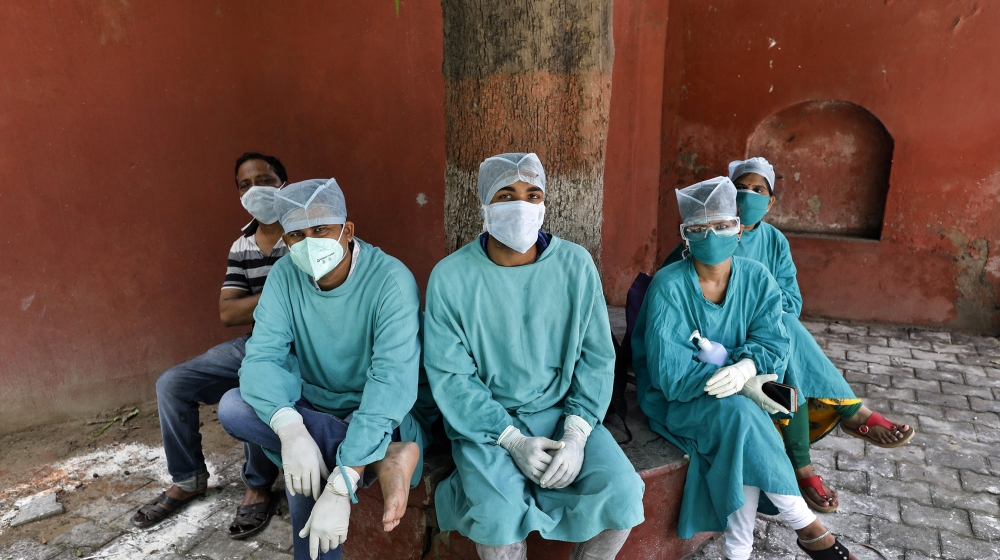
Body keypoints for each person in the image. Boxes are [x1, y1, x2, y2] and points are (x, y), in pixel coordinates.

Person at [423, 153, 646, 560]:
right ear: (485, 207)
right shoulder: (451, 278)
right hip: (488, 426)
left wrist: (577, 434)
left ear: (544, 204)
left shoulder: (575, 264)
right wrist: (512, 440)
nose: (521, 205)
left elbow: (596, 357)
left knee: (623, 494)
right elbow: (452, 378)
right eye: (506, 195)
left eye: (532, 194)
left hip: (563, 412)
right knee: (496, 516)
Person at [664, 157, 916, 512]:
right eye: (741, 187)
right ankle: (843, 420)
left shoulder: (774, 242)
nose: (748, 195)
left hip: (765, 339)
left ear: (770, 203)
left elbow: (790, 301)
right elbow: (673, 301)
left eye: (759, 190)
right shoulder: (700, 240)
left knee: (784, 333)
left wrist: (756, 303)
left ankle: (802, 465)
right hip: (717, 343)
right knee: (788, 346)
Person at [632, 176, 858, 560]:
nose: (712, 235)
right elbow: (670, 376)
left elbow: (774, 341)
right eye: (700, 228)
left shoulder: (756, 277)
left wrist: (745, 366)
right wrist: (732, 375)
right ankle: (808, 527)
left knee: (742, 421)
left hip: (743, 392)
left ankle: (740, 551)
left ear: (738, 228)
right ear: (684, 235)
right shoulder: (670, 286)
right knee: (742, 414)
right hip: (680, 397)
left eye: (722, 225)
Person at [217, 178, 436, 560]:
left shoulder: (391, 281)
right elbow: (263, 356)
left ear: (347, 231)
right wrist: (290, 429)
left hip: (379, 412)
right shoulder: (285, 276)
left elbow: (390, 384)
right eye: (297, 235)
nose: (309, 242)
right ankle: (383, 455)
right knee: (233, 407)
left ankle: (366, 452)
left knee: (312, 475)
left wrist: (344, 480)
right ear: (286, 241)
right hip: (312, 406)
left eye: (321, 229)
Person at [131, 152, 289, 538]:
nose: (255, 189)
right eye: (245, 184)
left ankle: (257, 485)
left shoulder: (306, 233)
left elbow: (310, 302)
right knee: (172, 383)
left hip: (298, 349)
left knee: (249, 389)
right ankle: (188, 479)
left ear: (284, 184)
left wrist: (257, 302)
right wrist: (281, 292)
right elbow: (228, 313)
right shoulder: (243, 245)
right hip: (256, 340)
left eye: (265, 180)